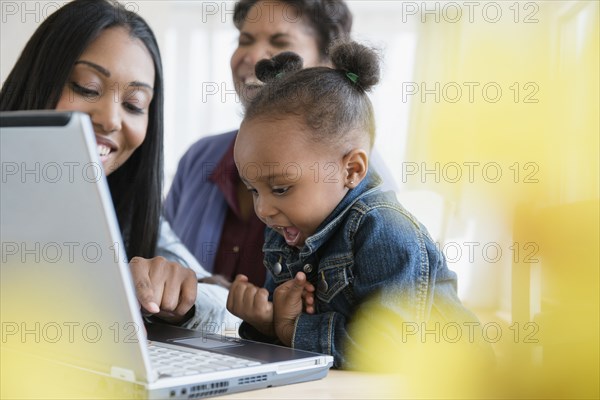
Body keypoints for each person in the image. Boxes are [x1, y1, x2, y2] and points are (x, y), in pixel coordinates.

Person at [226, 41, 483, 368]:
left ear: (352, 169)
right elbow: (291, 337)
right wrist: (266, 322)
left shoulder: (385, 230)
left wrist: (292, 331)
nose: (263, 209)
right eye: (253, 190)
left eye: (280, 188)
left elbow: (389, 348)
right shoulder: (287, 229)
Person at [0, 0, 238, 333]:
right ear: (36, 81)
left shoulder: (125, 208)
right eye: (87, 88)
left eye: (133, 104)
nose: (111, 119)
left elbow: (227, 305)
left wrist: (175, 298)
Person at [165, 0, 396, 288]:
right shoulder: (200, 158)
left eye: (280, 41)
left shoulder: (368, 192)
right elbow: (164, 254)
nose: (253, 56)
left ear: (327, 64)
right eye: (245, 40)